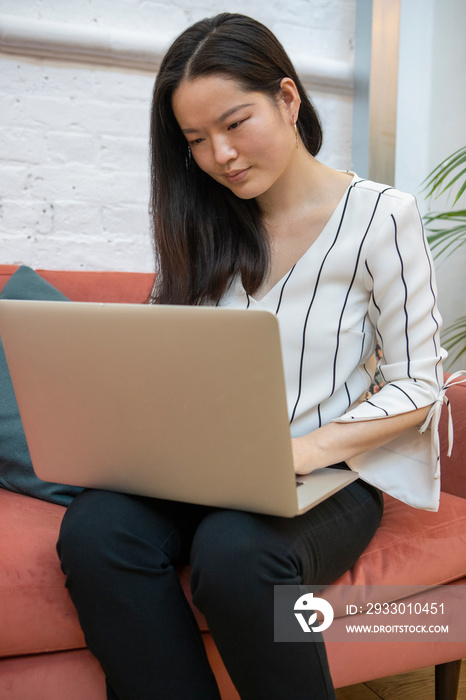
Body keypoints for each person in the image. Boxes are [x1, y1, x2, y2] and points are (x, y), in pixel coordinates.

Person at [57, 13, 447, 700]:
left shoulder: (381, 216)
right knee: (95, 530)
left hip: (325, 476)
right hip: (200, 468)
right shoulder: (200, 221)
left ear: (288, 100)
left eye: (235, 124)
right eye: (197, 141)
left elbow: (420, 382)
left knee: (236, 553)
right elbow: (159, 359)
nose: (220, 156)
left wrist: (302, 450)